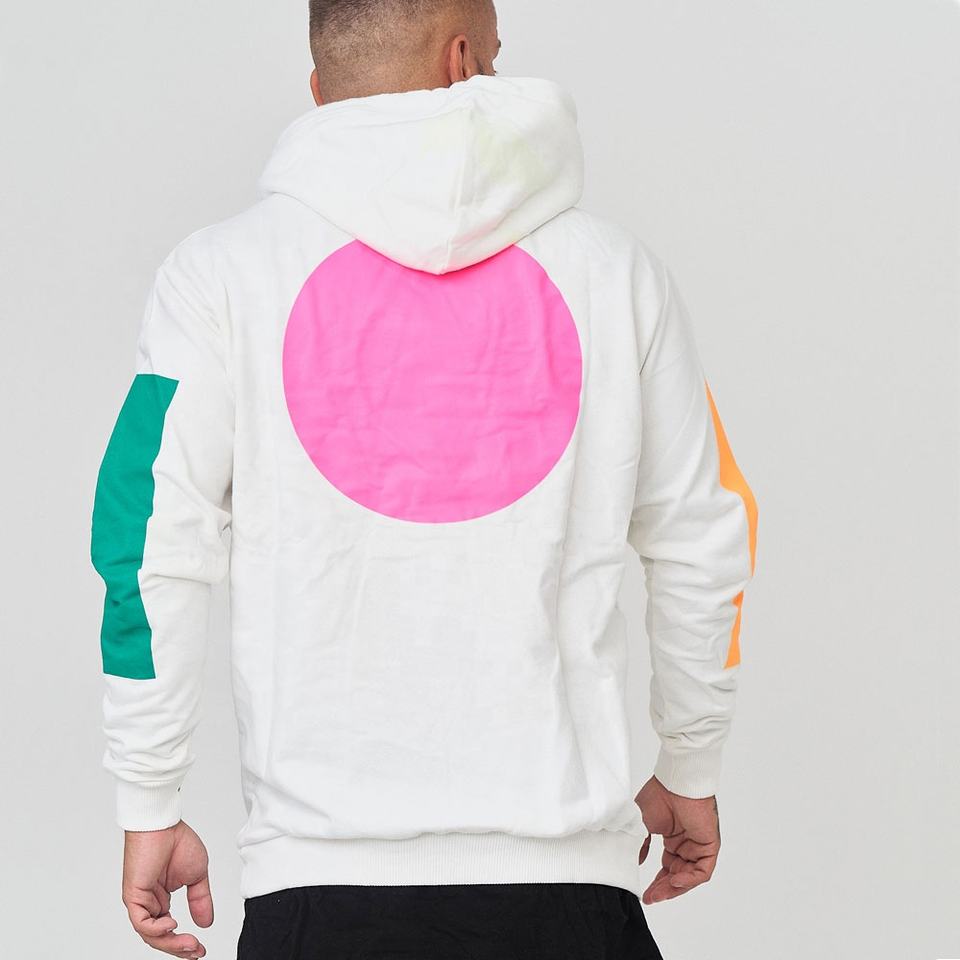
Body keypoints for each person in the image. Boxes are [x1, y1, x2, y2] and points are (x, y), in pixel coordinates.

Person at [89, 0, 760, 957]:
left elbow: (144, 538)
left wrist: (149, 796)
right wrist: (690, 764)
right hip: (568, 887)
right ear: (463, 61)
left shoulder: (217, 276)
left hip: (317, 886)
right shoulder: (618, 274)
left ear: (321, 93)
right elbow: (706, 534)